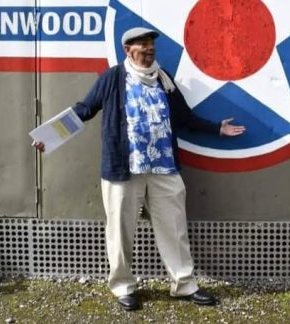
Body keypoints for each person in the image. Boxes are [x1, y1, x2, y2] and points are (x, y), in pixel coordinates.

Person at [34, 27, 245, 311]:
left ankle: (184, 284)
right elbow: (85, 109)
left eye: (151, 45)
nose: (149, 49)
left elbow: (184, 117)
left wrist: (217, 128)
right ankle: (123, 287)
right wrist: (49, 136)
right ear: (128, 50)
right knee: (120, 231)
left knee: (175, 228)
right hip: (124, 170)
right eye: (143, 44)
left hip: (164, 167)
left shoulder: (163, 78)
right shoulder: (113, 78)